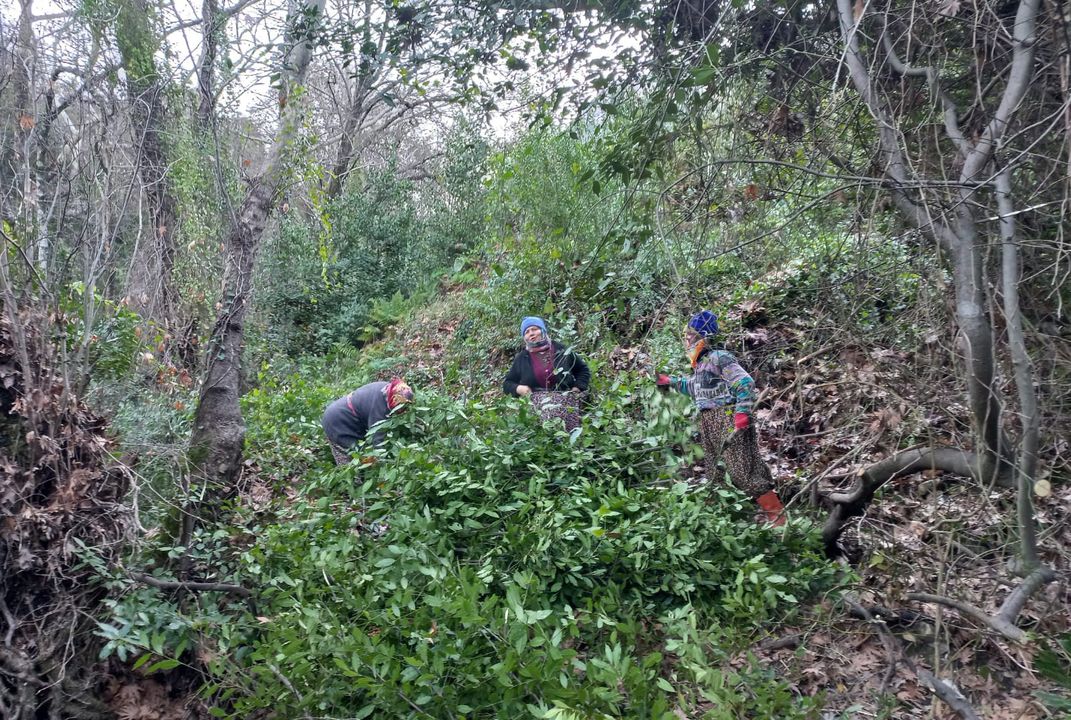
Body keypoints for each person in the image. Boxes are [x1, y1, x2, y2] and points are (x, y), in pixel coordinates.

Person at [656, 311, 786, 526]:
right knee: (716, 474)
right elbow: (695, 387)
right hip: (708, 422)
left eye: (691, 334)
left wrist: (742, 412)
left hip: (727, 418)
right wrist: (670, 381)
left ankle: (780, 520)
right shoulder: (701, 365)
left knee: (743, 472)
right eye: (686, 335)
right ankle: (729, 525)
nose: (687, 339)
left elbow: (744, 383)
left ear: (703, 336)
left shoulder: (719, 357)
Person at [503, 316, 591, 432]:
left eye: (534, 329)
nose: (531, 334)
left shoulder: (561, 350)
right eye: (527, 332)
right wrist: (519, 388)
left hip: (567, 405)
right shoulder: (522, 358)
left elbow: (583, 370)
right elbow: (507, 384)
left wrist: (577, 388)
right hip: (537, 410)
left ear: (543, 330)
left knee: (569, 442)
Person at [321, 377, 414, 465]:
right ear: (394, 402)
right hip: (336, 422)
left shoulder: (387, 389)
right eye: (399, 409)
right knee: (355, 460)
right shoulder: (380, 409)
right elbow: (378, 442)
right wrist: (382, 466)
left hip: (346, 416)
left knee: (365, 458)